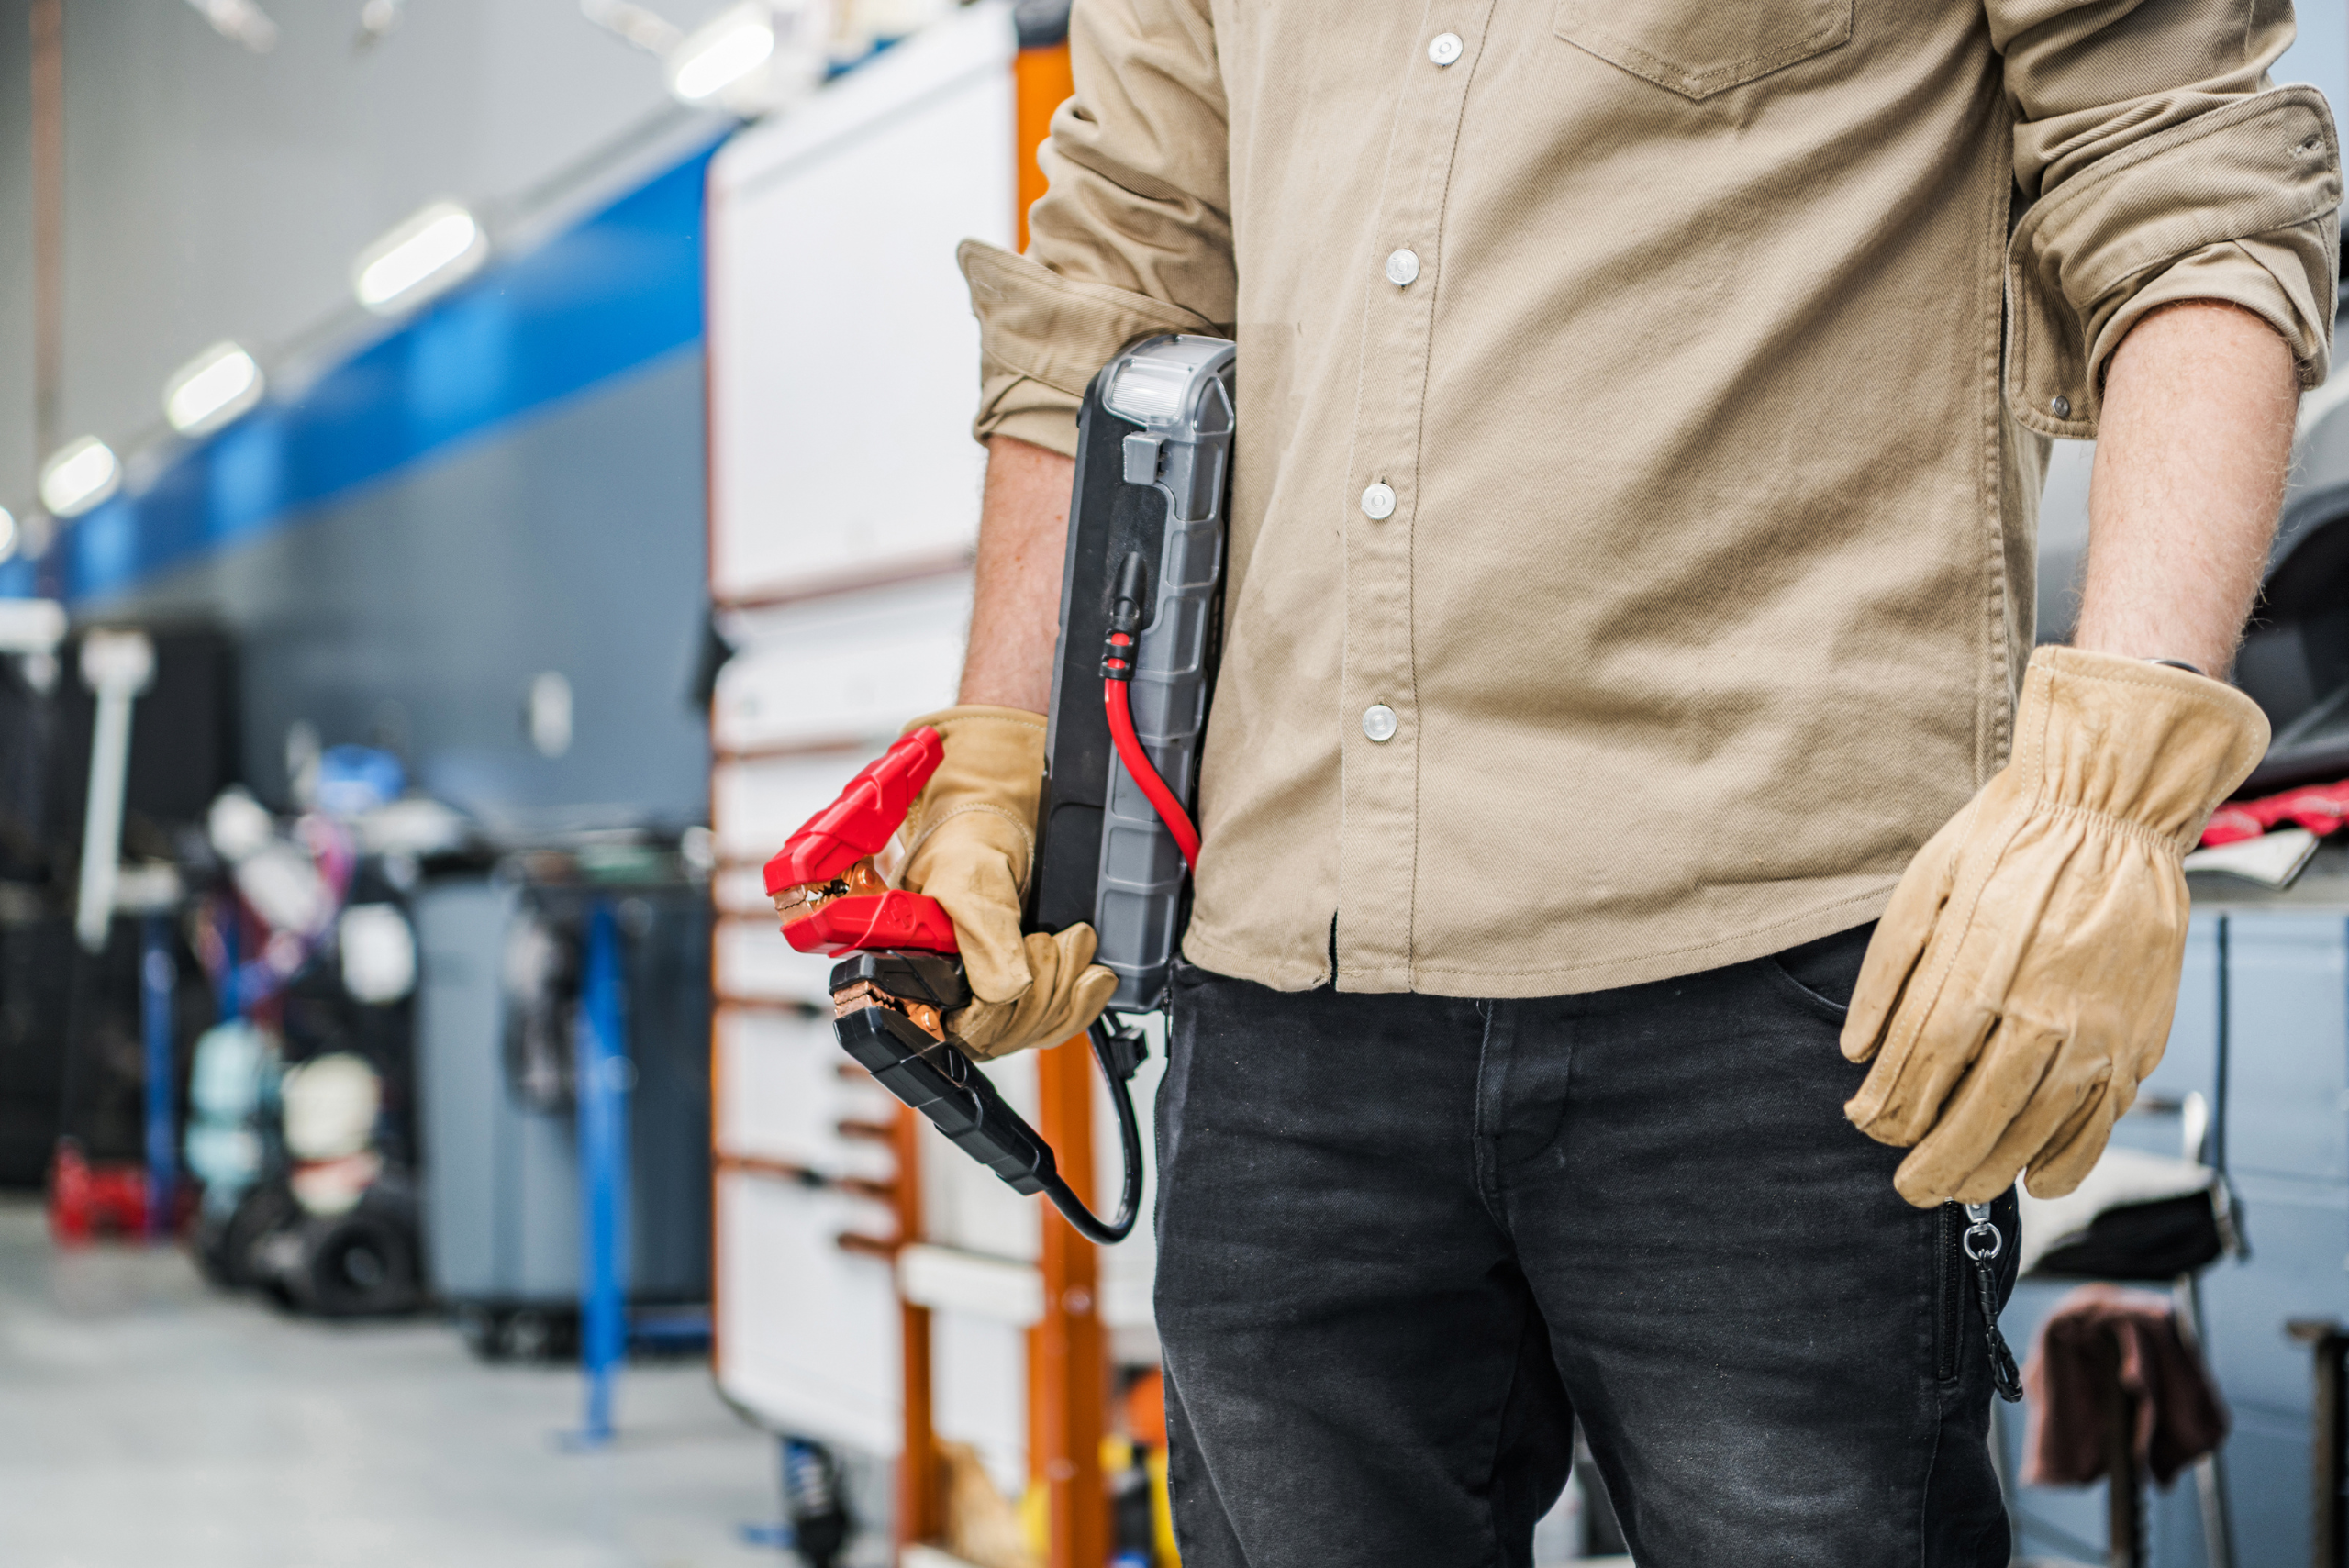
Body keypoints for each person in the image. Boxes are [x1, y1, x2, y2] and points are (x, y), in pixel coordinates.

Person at [879, 3, 2339, 1562]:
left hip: (1776, 983)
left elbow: (2186, 188)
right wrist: (1006, 751)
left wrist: (2113, 779)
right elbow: (1115, 281)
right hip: (1289, 990)